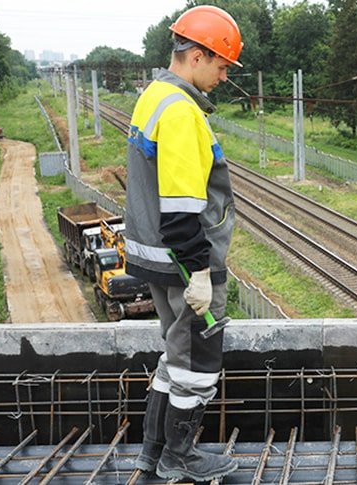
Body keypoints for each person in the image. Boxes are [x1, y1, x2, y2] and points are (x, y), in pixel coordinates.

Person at [123, 5, 243, 482]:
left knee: (175, 358)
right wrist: (198, 271)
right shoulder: (179, 111)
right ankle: (180, 458)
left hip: (156, 257)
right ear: (196, 55)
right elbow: (180, 207)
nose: (223, 76)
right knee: (198, 363)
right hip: (185, 260)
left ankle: (152, 454)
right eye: (221, 66)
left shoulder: (153, 95)